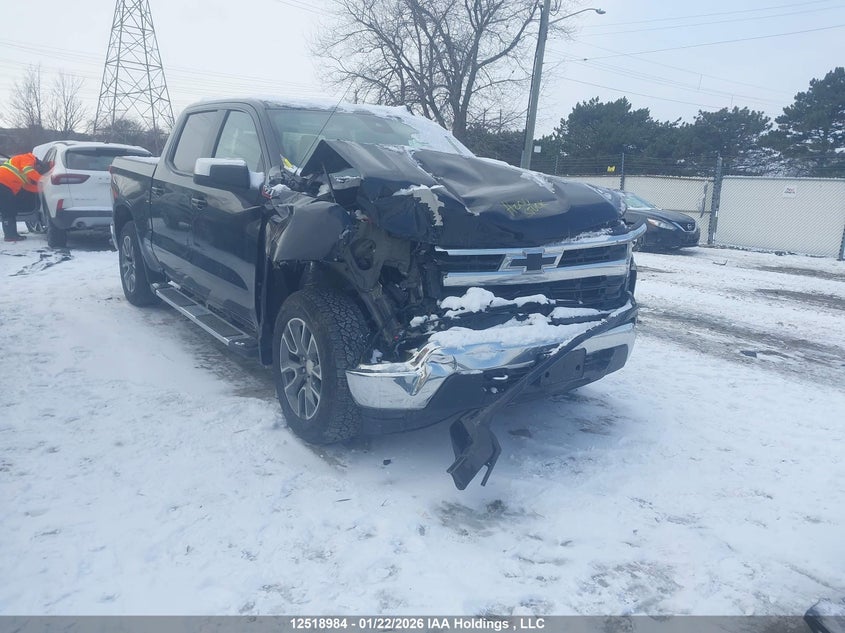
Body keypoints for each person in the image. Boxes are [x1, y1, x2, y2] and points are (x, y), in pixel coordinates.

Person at [0, 152, 48, 242]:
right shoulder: (28, 158)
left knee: (9, 210)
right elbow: (29, 171)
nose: (37, 170)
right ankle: (10, 236)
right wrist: (44, 180)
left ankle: (11, 234)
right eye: (38, 169)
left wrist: (43, 189)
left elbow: (28, 186)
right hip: (3, 183)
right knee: (8, 211)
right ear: (38, 163)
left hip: (5, 185)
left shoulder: (23, 167)